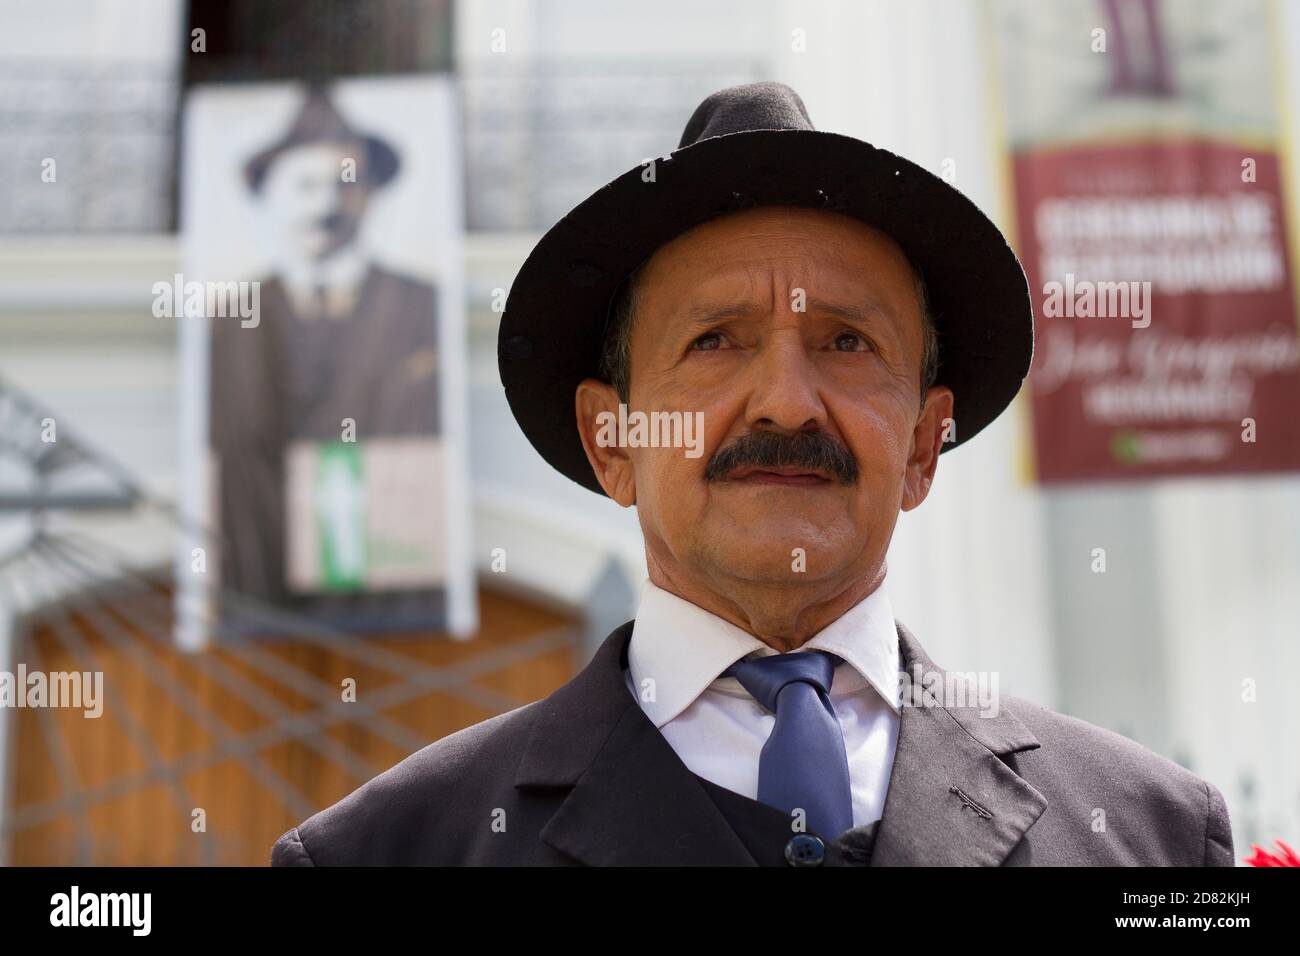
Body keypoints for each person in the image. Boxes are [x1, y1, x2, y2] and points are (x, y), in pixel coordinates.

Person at [271, 82, 1234, 865]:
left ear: (921, 444)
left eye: (847, 341)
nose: (786, 401)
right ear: (613, 441)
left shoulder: (1152, 842)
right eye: (716, 341)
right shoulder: (389, 852)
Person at [210, 87, 441, 628]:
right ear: (271, 195)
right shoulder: (227, 323)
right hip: (258, 590)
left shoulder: (420, 309)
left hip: (388, 593)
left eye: (345, 184)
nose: (325, 206)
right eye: (305, 185)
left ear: (369, 196)